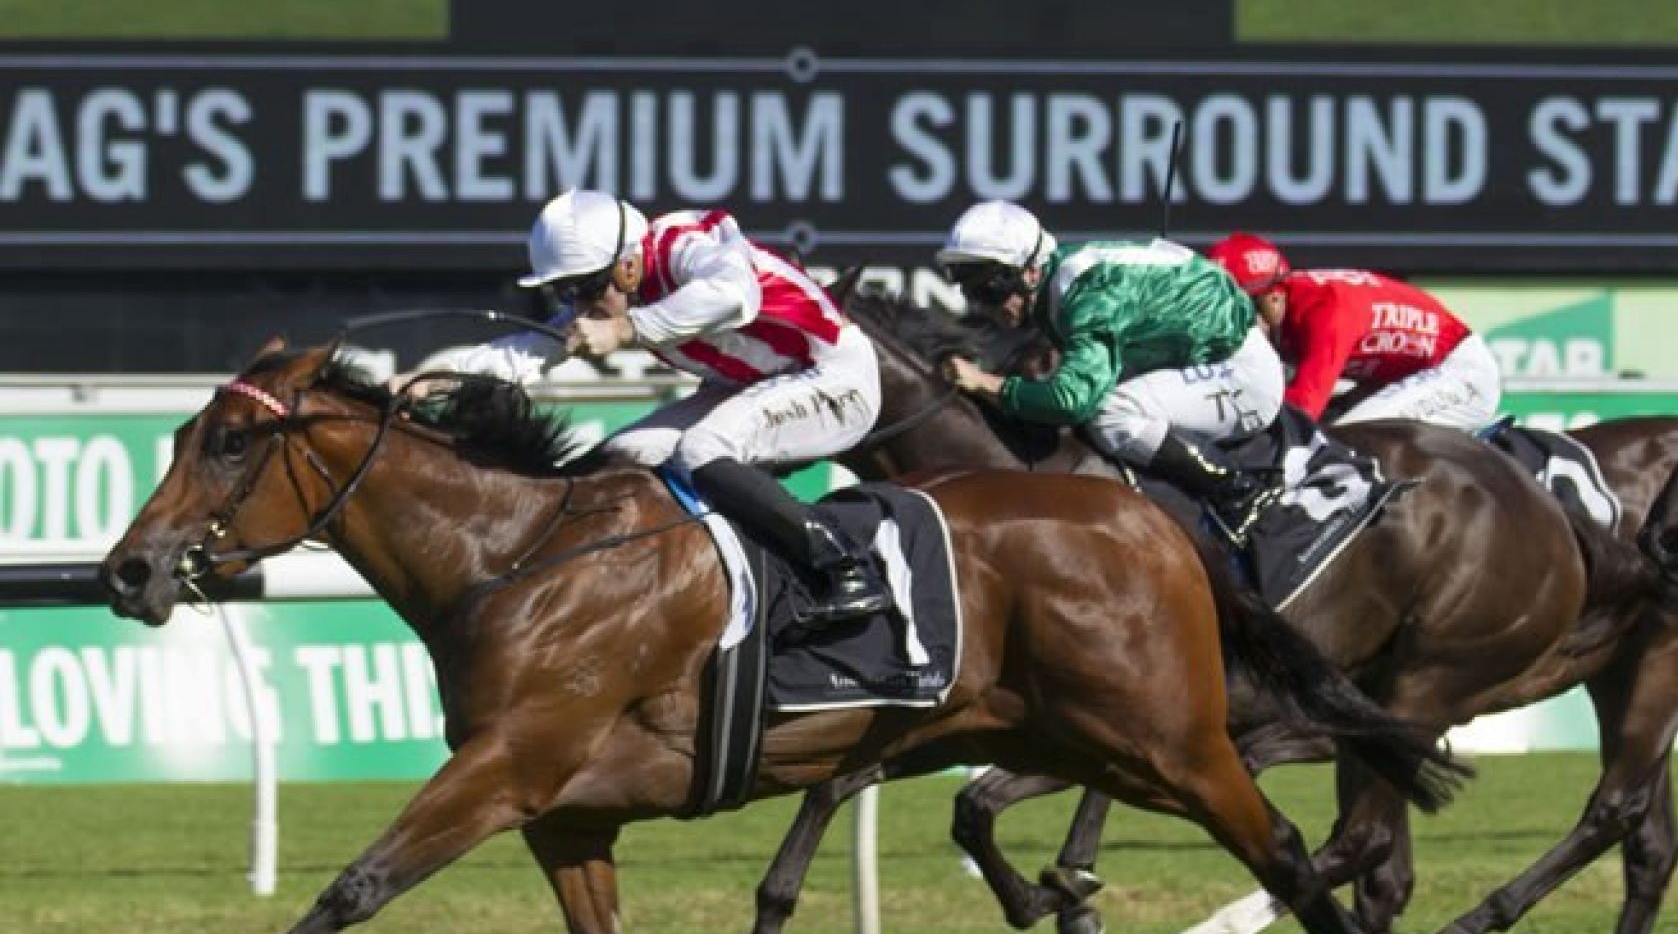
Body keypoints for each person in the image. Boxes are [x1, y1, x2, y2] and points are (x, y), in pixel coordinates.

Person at [427, 188, 885, 628]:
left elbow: (734, 294)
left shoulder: (682, 244)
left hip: (835, 378)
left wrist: (628, 328)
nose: (578, 305)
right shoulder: (613, 284)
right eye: (565, 292)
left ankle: (845, 566)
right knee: (618, 458)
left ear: (627, 266)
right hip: (758, 385)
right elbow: (525, 351)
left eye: (584, 288)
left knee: (702, 449)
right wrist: (430, 380)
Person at [936, 200, 1285, 539]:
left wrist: (985, 384)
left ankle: (1236, 490)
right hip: (1204, 355)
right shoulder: (1066, 278)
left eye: (991, 289)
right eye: (973, 293)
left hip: (1242, 374)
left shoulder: (1087, 295)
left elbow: (1072, 401)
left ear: (1031, 271)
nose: (986, 306)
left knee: (1110, 413)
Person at [1206, 233, 1502, 429]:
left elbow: (1304, 410)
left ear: (1274, 297)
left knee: (1354, 433)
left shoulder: (1327, 311)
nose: (1234, 322)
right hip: (1402, 375)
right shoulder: (1285, 300)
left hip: (1460, 374)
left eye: (1242, 309)